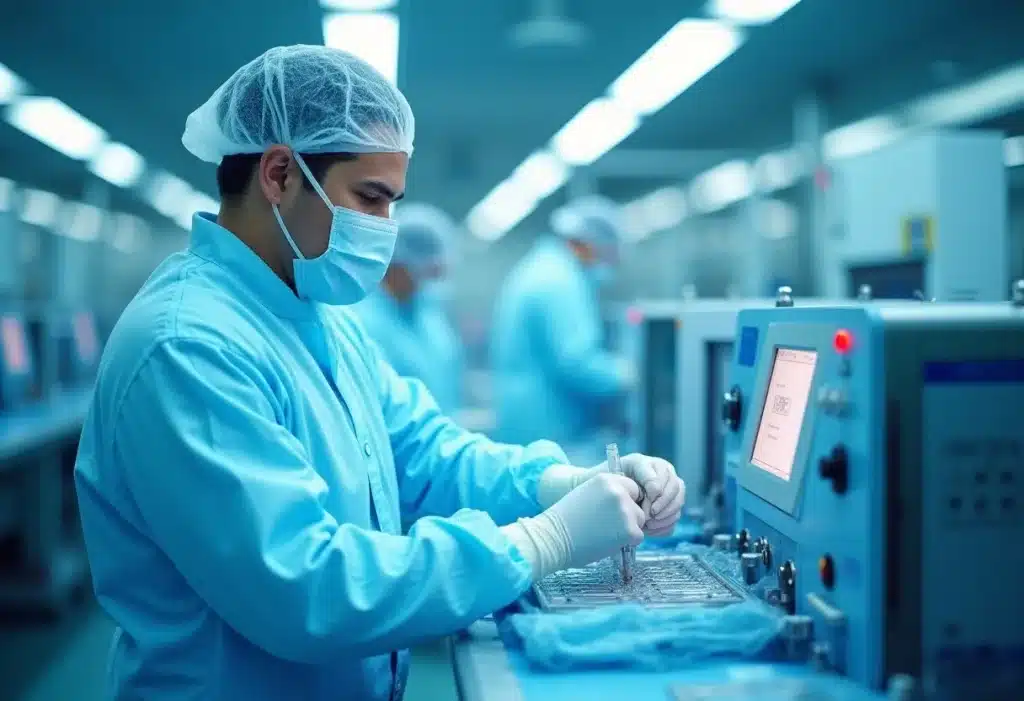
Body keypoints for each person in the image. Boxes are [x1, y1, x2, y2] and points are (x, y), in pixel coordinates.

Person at [72, 45, 685, 701]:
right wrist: (543, 540)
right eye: (370, 198)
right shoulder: (188, 346)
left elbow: (424, 454)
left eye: (393, 203)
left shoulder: (319, 319)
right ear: (279, 174)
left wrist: (559, 481)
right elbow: (305, 587)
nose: (387, 231)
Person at [490, 196, 635, 453]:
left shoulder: (540, 268)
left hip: (527, 424)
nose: (608, 265)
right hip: (550, 430)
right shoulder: (560, 282)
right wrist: (628, 374)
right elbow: (577, 363)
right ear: (587, 246)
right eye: (608, 254)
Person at [355, 202, 463, 414]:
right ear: (397, 262)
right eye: (426, 269)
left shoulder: (430, 316)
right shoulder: (364, 321)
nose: (431, 281)